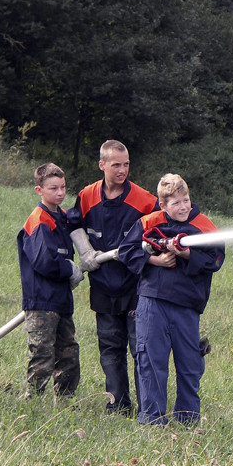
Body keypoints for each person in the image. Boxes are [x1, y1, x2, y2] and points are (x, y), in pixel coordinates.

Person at [117, 174, 225, 426]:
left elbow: (216, 260)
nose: (183, 207)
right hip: (151, 303)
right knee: (151, 362)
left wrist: (187, 254)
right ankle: (152, 419)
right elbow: (126, 252)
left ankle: (188, 419)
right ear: (162, 205)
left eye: (186, 200)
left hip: (187, 306)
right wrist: (155, 260)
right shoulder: (148, 222)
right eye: (175, 203)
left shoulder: (204, 225)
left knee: (189, 364)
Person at [67, 140, 158, 416]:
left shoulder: (144, 200)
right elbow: (73, 223)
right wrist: (85, 251)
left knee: (139, 349)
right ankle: (117, 405)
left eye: (126, 164)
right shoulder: (87, 196)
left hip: (135, 287)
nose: (122, 170)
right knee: (109, 349)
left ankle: (148, 407)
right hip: (102, 287)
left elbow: (160, 230)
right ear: (102, 165)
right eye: (116, 164)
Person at [17, 163, 85, 400]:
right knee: (42, 354)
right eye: (53, 188)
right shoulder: (38, 221)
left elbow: (79, 224)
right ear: (39, 190)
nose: (60, 193)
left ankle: (65, 401)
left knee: (68, 352)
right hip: (41, 301)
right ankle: (32, 401)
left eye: (63, 187)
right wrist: (69, 269)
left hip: (62, 299)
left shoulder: (63, 218)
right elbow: (43, 261)